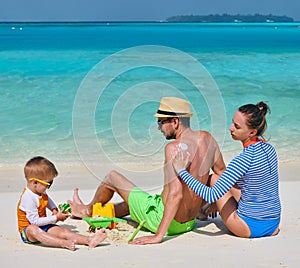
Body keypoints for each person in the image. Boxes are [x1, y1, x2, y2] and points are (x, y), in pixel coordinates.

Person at [68, 97, 226, 245]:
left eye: (161, 122)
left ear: (175, 122)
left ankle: (87, 210)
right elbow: (223, 174)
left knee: (112, 178)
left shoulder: (173, 148)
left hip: (166, 221)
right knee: (132, 204)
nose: (158, 128)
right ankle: (99, 213)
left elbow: (175, 194)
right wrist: (214, 203)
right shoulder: (208, 139)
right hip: (189, 222)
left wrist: (158, 236)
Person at [172, 101, 281, 238]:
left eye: (236, 126)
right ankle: (207, 209)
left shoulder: (244, 160)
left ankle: (203, 210)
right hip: (273, 224)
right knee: (224, 180)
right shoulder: (270, 149)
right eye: (232, 123)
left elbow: (211, 195)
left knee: (213, 178)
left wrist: (181, 171)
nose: (230, 128)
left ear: (252, 132)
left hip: (248, 227)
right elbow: (252, 185)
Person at [17, 156, 108, 251]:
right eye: (49, 184)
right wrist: (56, 218)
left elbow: (47, 199)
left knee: (63, 232)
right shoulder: (28, 198)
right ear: (35, 182)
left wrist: (53, 209)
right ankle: (63, 243)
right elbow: (34, 222)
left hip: (42, 226)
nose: (49, 187)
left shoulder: (39, 191)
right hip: (27, 232)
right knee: (34, 229)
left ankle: (89, 240)